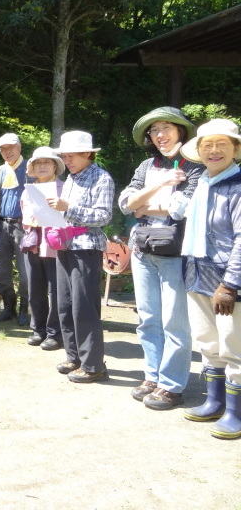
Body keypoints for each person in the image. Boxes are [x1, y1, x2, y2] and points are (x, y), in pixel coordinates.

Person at [118, 107, 201, 410]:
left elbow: (180, 208)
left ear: (180, 131)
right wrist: (160, 185)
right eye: (155, 130)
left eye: (167, 128)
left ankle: (172, 385)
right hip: (142, 251)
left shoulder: (194, 165)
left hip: (175, 253)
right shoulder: (146, 165)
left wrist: (144, 206)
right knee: (148, 318)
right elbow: (126, 204)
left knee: (174, 322)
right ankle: (152, 376)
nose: (160, 135)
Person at [178, 118, 241, 439]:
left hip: (227, 283)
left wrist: (230, 285)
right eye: (207, 145)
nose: (214, 150)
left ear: (236, 149)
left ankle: (235, 412)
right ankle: (214, 402)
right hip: (197, 274)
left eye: (222, 144)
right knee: (207, 342)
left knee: (234, 347)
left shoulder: (238, 185)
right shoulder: (203, 182)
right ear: (199, 151)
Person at [47, 131, 114, 383]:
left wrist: (68, 208)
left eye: (71, 155)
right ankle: (74, 357)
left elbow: (104, 216)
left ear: (88, 153)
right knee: (64, 304)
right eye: (64, 155)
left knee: (84, 307)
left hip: (86, 248)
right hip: (65, 246)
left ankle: (93, 365)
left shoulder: (101, 178)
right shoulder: (72, 178)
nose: (67, 160)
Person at [20, 146, 64, 351]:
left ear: (55, 165)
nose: (43, 166)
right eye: (38, 163)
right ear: (33, 168)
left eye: (47, 162)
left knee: (56, 291)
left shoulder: (64, 188)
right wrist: (31, 219)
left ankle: (55, 333)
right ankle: (38, 330)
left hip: (57, 246)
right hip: (34, 244)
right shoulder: (28, 190)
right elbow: (25, 217)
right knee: (35, 289)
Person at [0, 133, 30, 326]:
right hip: (1, 227)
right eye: (3, 149)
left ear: (19, 147)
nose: (7, 151)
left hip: (24, 227)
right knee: (2, 271)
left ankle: (24, 311)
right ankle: (8, 308)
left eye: (11, 147)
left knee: (25, 271)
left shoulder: (31, 169)